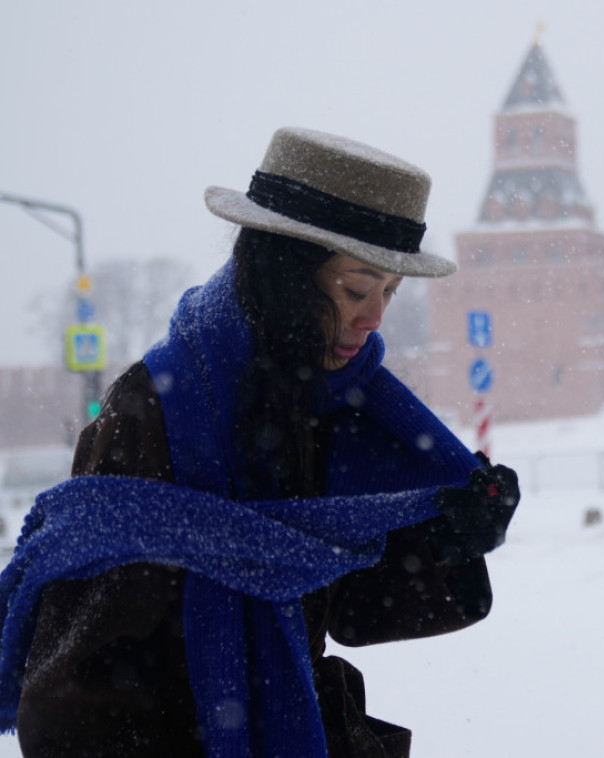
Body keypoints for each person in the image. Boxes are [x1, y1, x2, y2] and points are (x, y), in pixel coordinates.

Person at [0, 127, 520, 758]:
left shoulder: (352, 407)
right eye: (357, 289)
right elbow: (73, 676)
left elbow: (348, 609)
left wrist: (447, 540)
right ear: (288, 276)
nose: (376, 316)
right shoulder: (155, 407)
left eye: (391, 291)